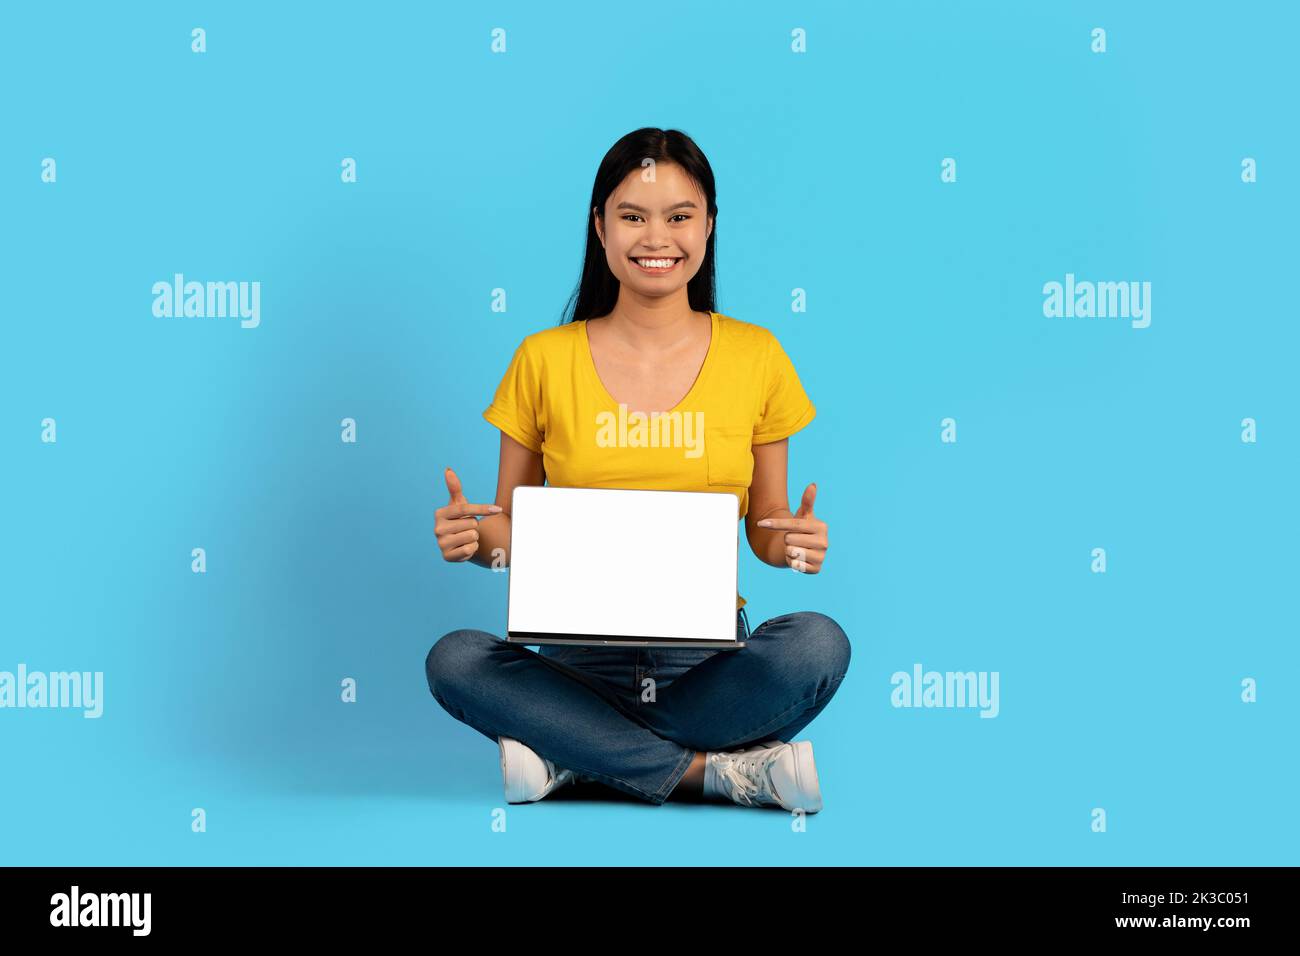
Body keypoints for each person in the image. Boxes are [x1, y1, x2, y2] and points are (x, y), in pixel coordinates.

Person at [425, 128, 850, 812]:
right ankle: (711, 772)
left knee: (816, 645)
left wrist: (792, 543)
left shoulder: (757, 356)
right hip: (575, 667)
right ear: (600, 227)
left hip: (706, 668)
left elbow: (766, 533)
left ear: (708, 225)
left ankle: (575, 755)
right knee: (456, 659)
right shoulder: (543, 358)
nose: (658, 237)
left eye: (680, 216)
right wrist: (477, 542)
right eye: (633, 216)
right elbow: (514, 533)